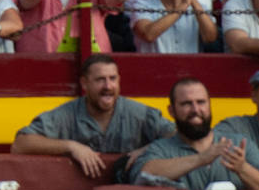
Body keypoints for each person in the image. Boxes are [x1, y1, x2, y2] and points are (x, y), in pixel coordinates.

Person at [12, 54, 175, 177]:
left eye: (112, 79)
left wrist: (148, 149)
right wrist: (71, 146)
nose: (108, 86)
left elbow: (178, 134)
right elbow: (20, 145)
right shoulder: (67, 114)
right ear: (84, 83)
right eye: (100, 80)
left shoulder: (138, 113)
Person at [131, 78, 259, 190]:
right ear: (171, 111)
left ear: (209, 105)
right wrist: (201, 158)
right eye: (186, 104)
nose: (195, 109)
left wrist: (242, 168)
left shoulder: (238, 143)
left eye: (201, 102)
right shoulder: (161, 148)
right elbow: (145, 174)